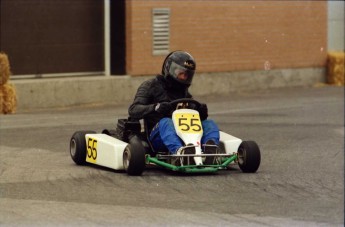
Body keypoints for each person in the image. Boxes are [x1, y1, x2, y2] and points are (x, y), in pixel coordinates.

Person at [128, 50, 219, 159]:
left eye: (187, 74)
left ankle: (210, 149)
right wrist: (156, 107)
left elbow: (192, 118)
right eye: (180, 72)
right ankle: (180, 152)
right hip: (157, 136)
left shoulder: (185, 94)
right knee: (166, 122)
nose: (183, 77)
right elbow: (133, 109)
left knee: (209, 123)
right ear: (169, 68)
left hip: (185, 135)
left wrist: (201, 112)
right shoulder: (150, 85)